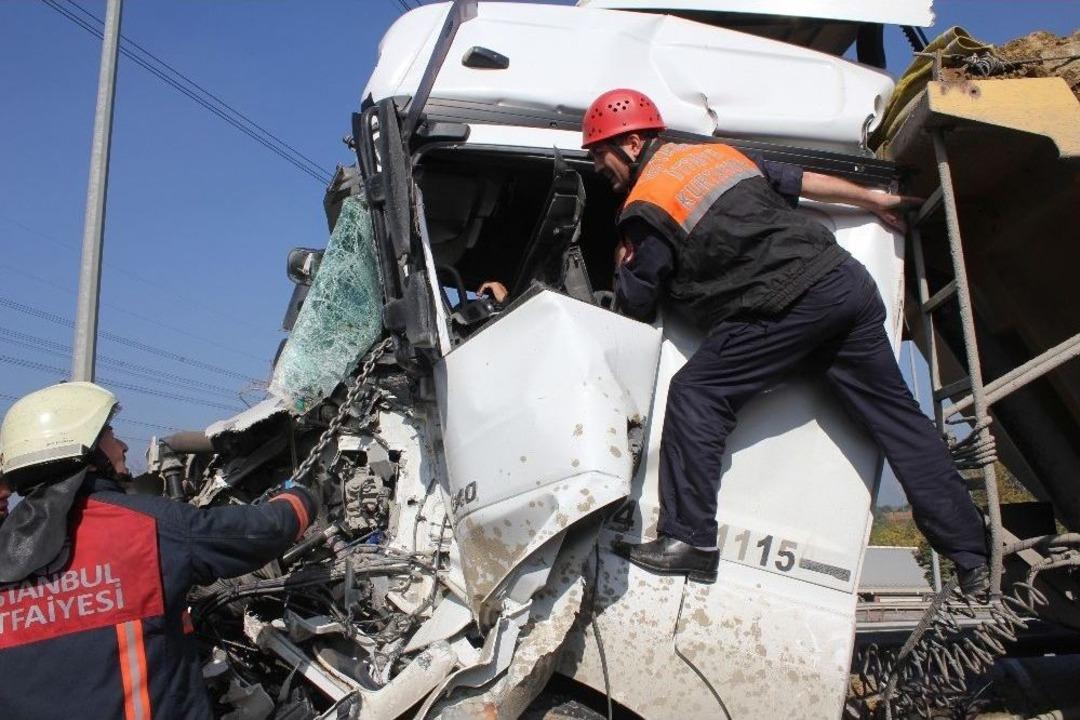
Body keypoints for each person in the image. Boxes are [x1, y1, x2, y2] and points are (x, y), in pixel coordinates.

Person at [581, 89, 989, 594]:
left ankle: (689, 540)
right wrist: (872, 199)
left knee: (697, 394)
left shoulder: (646, 207)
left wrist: (622, 263)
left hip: (782, 304)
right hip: (843, 284)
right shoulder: (716, 155)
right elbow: (802, 181)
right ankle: (973, 555)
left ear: (632, 143)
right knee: (900, 423)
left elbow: (636, 304)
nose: (598, 167)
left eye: (599, 154)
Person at [0, 382, 317, 720]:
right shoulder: (145, 526)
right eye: (110, 435)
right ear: (86, 451)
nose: (123, 446)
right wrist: (301, 496)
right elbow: (262, 532)